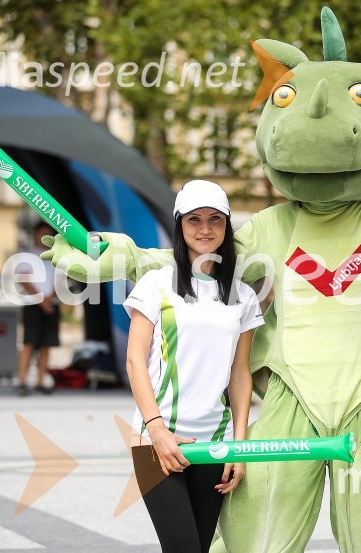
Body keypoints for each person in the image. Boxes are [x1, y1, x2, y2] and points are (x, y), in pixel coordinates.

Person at [124, 180, 262, 553]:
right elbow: (135, 361)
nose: (205, 229)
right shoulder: (155, 284)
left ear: (227, 225)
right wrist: (157, 430)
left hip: (215, 445)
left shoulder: (243, 295)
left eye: (215, 219)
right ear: (180, 225)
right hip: (158, 441)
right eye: (194, 219)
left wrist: (238, 445)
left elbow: (240, 375)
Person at [16, 221, 61, 396]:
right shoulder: (27, 255)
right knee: (29, 342)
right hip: (33, 304)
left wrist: (50, 299)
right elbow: (24, 280)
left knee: (46, 344)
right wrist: (42, 300)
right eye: (41, 233)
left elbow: (60, 281)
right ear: (35, 234)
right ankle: (22, 380)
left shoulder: (55, 256)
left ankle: (40, 381)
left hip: (51, 304)